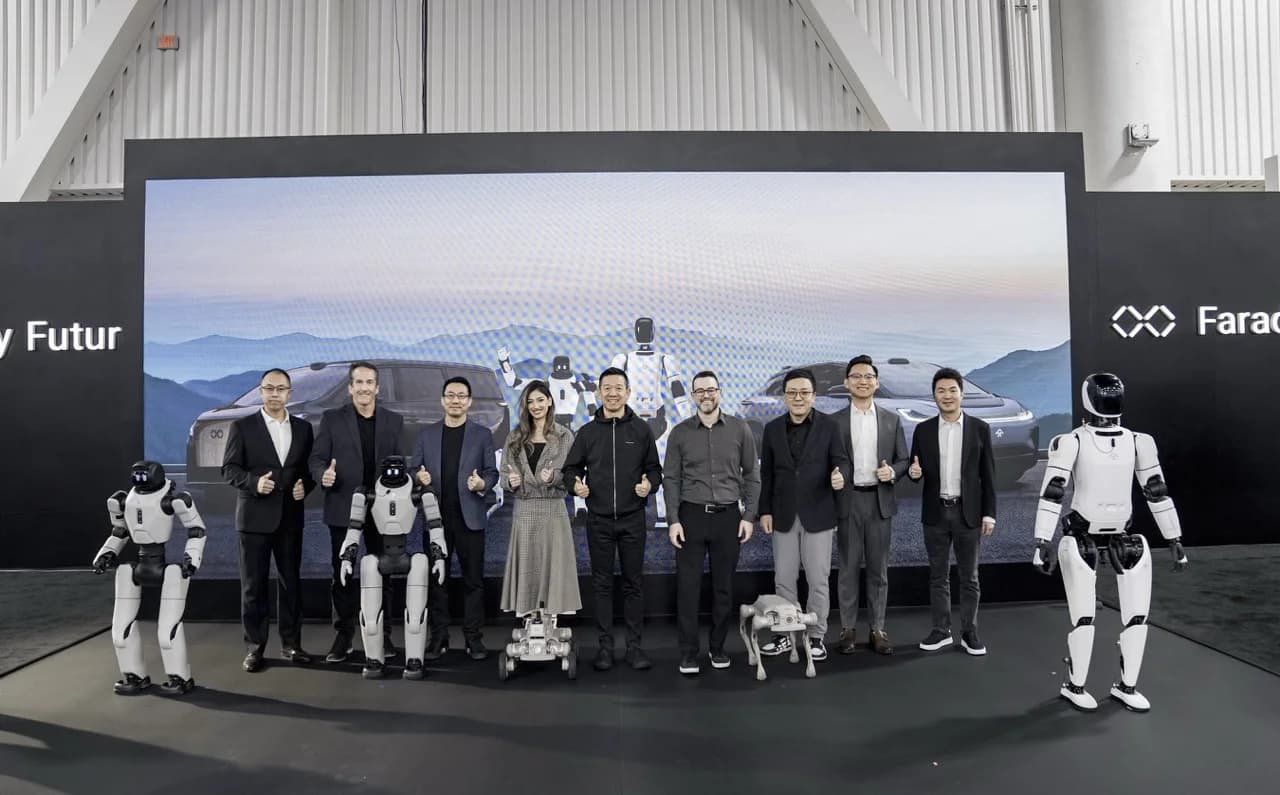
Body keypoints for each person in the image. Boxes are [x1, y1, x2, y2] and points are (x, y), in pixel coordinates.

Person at [1031, 373, 1188, 712]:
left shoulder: (1138, 441)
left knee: (1137, 616)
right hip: (1080, 536)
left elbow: (1156, 490)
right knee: (1084, 618)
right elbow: (1054, 491)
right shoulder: (1071, 441)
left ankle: (1127, 685)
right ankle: (1076, 685)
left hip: (1124, 535)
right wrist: (1042, 540)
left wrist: (1173, 535)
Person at [562, 366, 663, 672]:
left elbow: (655, 469)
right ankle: (605, 648)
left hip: (633, 519)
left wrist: (649, 484)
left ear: (628, 392)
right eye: (607, 387)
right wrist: (575, 485)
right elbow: (570, 469)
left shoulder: (642, 430)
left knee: (633, 584)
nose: (613, 392)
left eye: (619, 387)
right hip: (599, 520)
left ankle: (634, 648)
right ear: (599, 393)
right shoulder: (588, 432)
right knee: (602, 585)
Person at [664, 370, 760, 675]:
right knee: (688, 589)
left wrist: (748, 517)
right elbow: (671, 480)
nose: (706, 395)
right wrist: (673, 520)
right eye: (700, 391)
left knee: (723, 589)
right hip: (691, 517)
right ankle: (689, 654)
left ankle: (718, 649)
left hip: (729, 518)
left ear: (720, 392)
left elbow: (752, 476)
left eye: (711, 389)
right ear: (693, 396)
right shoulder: (679, 433)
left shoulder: (739, 428)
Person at [221, 367, 315, 672]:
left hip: (290, 517)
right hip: (253, 519)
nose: (275, 394)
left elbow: (307, 470)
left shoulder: (303, 428)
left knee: (291, 585)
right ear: (261, 392)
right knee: (253, 587)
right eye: (269, 389)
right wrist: (253, 483)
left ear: (290, 393)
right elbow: (229, 469)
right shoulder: (243, 426)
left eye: (281, 389)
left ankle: (292, 644)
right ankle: (254, 647)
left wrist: (307, 486)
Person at [309, 361, 402, 664]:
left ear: (377, 387)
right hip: (342, 506)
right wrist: (323, 474)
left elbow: (399, 463)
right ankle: (344, 636)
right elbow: (317, 458)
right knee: (342, 574)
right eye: (358, 382)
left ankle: (384, 634)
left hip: (383, 508)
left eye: (369, 382)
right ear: (350, 388)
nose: (364, 388)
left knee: (384, 572)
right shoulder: (332, 419)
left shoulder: (393, 421)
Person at [757, 368, 849, 662]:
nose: (798, 398)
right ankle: (785, 634)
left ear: (814, 395)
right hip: (782, 514)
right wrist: (765, 510)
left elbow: (842, 462)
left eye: (804, 393)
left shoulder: (830, 426)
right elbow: (767, 474)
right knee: (784, 578)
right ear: (784, 396)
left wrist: (840, 477)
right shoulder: (771, 429)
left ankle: (816, 636)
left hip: (819, 513)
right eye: (792, 393)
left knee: (817, 578)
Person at [409, 376, 499, 662]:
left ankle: (473, 638)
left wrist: (481, 484)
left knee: (473, 581)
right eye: (450, 395)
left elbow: (492, 473)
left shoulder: (482, 434)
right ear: (442, 400)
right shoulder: (426, 435)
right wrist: (418, 478)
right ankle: (440, 638)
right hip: (436, 519)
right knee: (438, 580)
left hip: (470, 517)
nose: (456, 400)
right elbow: (414, 470)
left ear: (469, 401)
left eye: (461, 396)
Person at [908, 367, 996, 656]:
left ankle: (970, 633)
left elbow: (989, 476)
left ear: (962, 393)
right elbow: (915, 471)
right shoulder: (922, 430)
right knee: (938, 576)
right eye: (941, 391)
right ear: (934, 395)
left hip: (967, 513)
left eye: (952, 390)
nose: (946, 396)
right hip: (935, 513)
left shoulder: (980, 429)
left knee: (970, 577)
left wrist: (989, 513)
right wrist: (914, 472)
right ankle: (941, 630)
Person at [832, 355, 909, 655]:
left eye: (868, 376)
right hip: (848, 502)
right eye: (857, 376)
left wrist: (894, 472)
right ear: (847, 382)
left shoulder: (891, 419)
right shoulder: (834, 421)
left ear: (877, 382)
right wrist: (832, 477)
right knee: (848, 569)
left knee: (879, 571)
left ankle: (878, 629)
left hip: (879, 502)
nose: (863, 381)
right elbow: (829, 461)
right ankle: (848, 629)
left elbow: (903, 459)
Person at [499, 381, 582, 618]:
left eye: (540, 400)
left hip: (553, 510)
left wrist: (554, 476)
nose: (535, 406)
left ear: (549, 401)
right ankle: (529, 617)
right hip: (524, 510)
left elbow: (572, 472)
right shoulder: (515, 437)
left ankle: (552, 619)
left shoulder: (565, 435)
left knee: (554, 568)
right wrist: (510, 483)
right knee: (527, 569)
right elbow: (505, 474)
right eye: (530, 401)